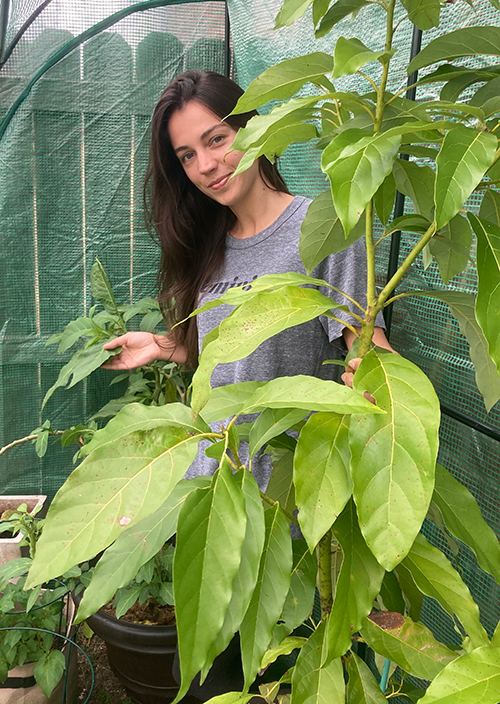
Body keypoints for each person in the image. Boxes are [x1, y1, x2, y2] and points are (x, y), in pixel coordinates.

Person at [103, 69, 395, 489]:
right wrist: (163, 345)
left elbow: (371, 352)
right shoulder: (210, 246)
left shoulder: (322, 231)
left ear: (253, 131)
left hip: (285, 496)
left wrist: (378, 387)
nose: (205, 166)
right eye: (186, 155)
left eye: (216, 139)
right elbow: (236, 357)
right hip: (211, 485)